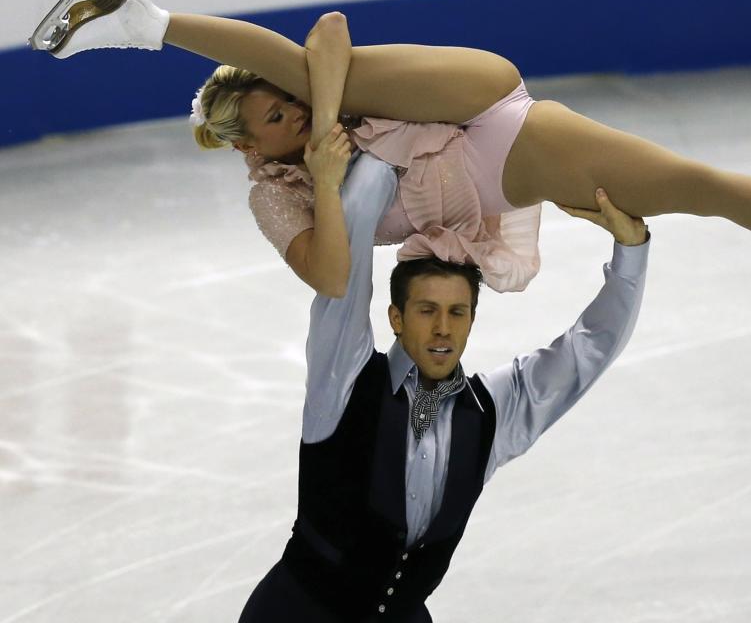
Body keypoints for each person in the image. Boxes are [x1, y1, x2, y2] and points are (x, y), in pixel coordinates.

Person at [30, 0, 751, 357]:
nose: (291, 114)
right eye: (274, 118)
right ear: (245, 145)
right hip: (498, 151)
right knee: (688, 188)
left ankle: (137, 17)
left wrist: (323, 117)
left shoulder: (328, 92)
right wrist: (318, 170)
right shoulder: (280, 199)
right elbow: (328, 275)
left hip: (472, 110)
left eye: (285, 102)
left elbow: (328, 37)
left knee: (326, 71)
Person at [229, 106, 652, 619]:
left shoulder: (493, 411)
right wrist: (387, 147)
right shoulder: (342, 381)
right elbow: (350, 260)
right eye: (426, 310)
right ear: (396, 318)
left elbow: (588, 350)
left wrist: (631, 250)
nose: (442, 327)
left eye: (457, 313)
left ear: (472, 320)